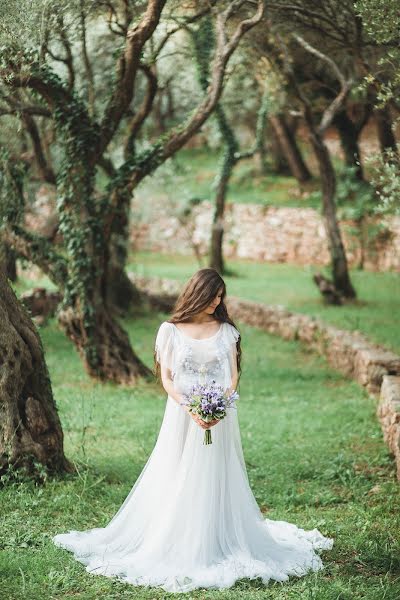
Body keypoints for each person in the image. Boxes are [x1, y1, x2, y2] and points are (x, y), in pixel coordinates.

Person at [53, 268, 333, 593]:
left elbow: (232, 379)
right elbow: (168, 378)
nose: (218, 301)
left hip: (219, 415)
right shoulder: (170, 331)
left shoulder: (226, 331)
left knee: (215, 472)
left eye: (221, 296)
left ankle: (214, 534)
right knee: (175, 469)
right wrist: (191, 408)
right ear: (198, 293)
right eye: (213, 295)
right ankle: (175, 533)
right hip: (181, 414)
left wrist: (217, 409)